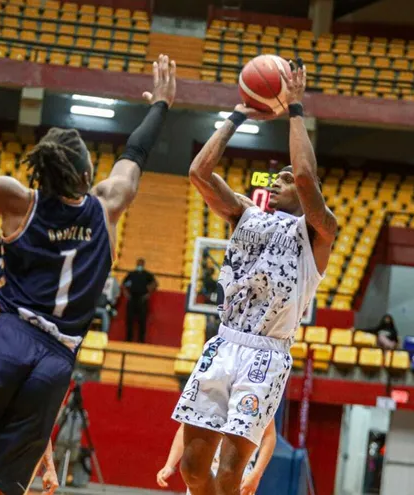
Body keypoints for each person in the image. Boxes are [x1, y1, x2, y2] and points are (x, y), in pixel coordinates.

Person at [0, 56, 175, 495]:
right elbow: (134, 154)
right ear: (85, 174)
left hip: (7, 339)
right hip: (57, 362)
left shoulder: (20, 201)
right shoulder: (108, 205)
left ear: (39, 172)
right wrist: (160, 104)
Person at [174, 61, 335, 495]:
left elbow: (304, 175)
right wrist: (239, 114)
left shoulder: (320, 231)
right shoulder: (245, 213)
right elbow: (198, 174)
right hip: (224, 341)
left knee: (230, 473)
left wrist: (296, 107)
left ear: (308, 197)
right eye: (277, 176)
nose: (282, 178)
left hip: (266, 355)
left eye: (289, 179)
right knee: (192, 469)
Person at [157, 419, 277, 495]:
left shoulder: (253, 389)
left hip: (239, 471)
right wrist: (169, 465)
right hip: (203, 469)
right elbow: (184, 428)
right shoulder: (208, 386)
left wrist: (256, 473)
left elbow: (269, 436)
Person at [123, 258, 157, 342]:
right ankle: (128, 339)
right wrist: (126, 294)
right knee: (129, 320)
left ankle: (141, 340)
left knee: (142, 321)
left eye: (141, 264)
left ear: (143, 265)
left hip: (142, 299)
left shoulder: (147, 275)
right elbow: (124, 284)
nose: (139, 265)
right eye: (138, 264)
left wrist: (148, 294)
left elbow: (155, 284)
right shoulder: (131, 274)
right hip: (132, 298)